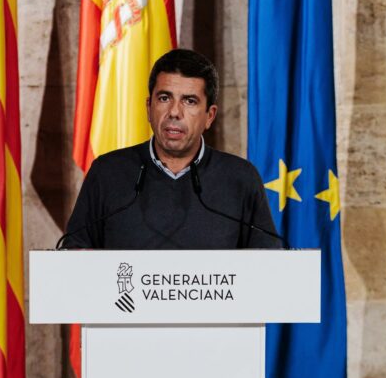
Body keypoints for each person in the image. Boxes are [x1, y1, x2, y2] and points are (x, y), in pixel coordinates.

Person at [62, 49, 281, 249]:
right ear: (149, 108)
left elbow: (268, 266)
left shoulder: (240, 178)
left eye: (190, 101)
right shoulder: (107, 172)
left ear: (210, 116)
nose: (175, 112)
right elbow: (74, 258)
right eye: (164, 98)